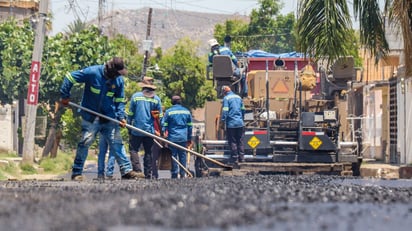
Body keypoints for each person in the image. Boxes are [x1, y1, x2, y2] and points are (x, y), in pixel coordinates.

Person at [60, 57, 141, 181]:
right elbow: (70, 77)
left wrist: (121, 117)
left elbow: (119, 100)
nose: (118, 76)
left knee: (117, 143)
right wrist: (65, 95)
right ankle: (77, 172)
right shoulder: (92, 72)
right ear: (111, 71)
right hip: (91, 116)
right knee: (85, 142)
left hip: (109, 117)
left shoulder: (118, 81)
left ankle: (126, 171)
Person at [127, 81, 162, 179]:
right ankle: (148, 173)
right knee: (148, 152)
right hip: (149, 131)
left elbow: (130, 114)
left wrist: (128, 126)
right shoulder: (156, 99)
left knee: (133, 150)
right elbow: (159, 117)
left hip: (136, 129)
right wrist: (161, 130)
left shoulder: (135, 96)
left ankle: (138, 171)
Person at [161, 95, 193, 179]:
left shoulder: (168, 112)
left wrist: (164, 135)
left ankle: (174, 174)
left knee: (173, 156)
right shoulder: (186, 112)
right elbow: (190, 127)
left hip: (172, 138)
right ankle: (182, 174)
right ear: (180, 102)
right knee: (183, 156)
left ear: (172, 102)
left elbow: (164, 125)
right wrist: (189, 138)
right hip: (183, 138)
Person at [220, 85, 246, 164]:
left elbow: (225, 111)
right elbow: (243, 109)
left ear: (224, 92)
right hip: (240, 123)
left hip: (231, 124)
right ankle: (242, 158)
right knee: (240, 141)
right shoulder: (239, 97)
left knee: (232, 141)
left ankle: (235, 158)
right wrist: (241, 118)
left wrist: (222, 121)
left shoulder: (226, 98)